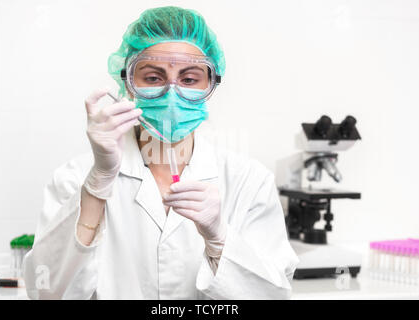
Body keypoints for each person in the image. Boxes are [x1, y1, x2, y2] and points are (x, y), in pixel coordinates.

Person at [23, 6, 299, 300]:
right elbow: (46, 292)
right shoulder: (75, 178)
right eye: (153, 78)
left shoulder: (249, 181)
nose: (171, 93)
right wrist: (98, 184)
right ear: (128, 83)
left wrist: (220, 239)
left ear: (211, 83)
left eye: (190, 79)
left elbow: (273, 295)